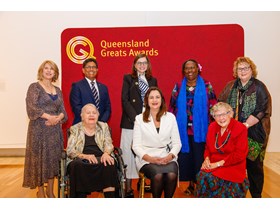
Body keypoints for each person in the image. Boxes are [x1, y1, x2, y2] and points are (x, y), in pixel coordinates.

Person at [218, 56, 272, 198]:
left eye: (246, 68)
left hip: (255, 133)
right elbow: (220, 104)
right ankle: (236, 196)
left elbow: (262, 110)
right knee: (234, 165)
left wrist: (244, 126)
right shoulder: (231, 86)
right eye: (239, 68)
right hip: (233, 133)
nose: (242, 71)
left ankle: (256, 197)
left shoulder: (259, 87)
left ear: (251, 70)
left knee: (254, 166)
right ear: (235, 71)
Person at [168, 59, 217, 195]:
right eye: (187, 68)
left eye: (193, 68)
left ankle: (200, 186)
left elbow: (213, 105)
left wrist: (215, 125)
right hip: (182, 131)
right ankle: (191, 184)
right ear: (183, 71)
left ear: (198, 69)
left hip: (201, 130)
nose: (190, 71)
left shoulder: (207, 86)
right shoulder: (178, 86)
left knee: (199, 158)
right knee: (186, 158)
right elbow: (172, 108)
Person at [23, 60, 68, 198]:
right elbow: (32, 108)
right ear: (41, 71)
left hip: (54, 132)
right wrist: (49, 117)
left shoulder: (58, 90)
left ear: (55, 73)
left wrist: (57, 118)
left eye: (52, 69)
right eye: (46, 68)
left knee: (53, 161)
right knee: (40, 161)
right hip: (38, 131)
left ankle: (50, 191)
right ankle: (41, 192)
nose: (48, 71)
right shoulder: (34, 87)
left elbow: (63, 111)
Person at [132, 87, 182, 198]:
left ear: (162, 100)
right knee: (158, 175)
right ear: (147, 101)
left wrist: (170, 157)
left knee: (171, 175)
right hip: (146, 159)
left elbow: (177, 143)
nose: (154, 100)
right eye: (151, 97)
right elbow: (136, 146)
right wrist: (151, 159)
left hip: (167, 156)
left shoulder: (170, 117)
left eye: (157, 97)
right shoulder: (139, 119)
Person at [120, 53, 158, 197]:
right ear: (134, 65)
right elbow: (124, 100)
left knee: (146, 151)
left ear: (148, 65)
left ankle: (144, 182)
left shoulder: (153, 80)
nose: (142, 65)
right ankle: (128, 187)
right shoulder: (128, 78)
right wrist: (136, 118)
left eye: (144, 63)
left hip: (148, 122)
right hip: (131, 121)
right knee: (129, 154)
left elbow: (156, 101)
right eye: (139, 63)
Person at [195, 102, 249, 198]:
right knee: (201, 176)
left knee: (210, 178)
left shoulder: (240, 128)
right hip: (214, 164)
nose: (221, 118)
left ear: (231, 114)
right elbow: (207, 147)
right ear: (214, 117)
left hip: (233, 166)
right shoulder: (212, 127)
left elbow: (239, 155)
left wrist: (218, 164)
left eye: (224, 114)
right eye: (217, 115)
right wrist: (206, 159)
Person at [66, 103, 117, 198]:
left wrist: (106, 153)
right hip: (81, 159)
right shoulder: (75, 129)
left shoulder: (103, 126)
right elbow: (70, 150)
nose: (91, 115)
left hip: (101, 157)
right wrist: (85, 156)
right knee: (77, 165)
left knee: (109, 163)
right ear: (82, 116)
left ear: (98, 115)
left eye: (94, 113)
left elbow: (108, 143)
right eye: (88, 113)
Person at [70, 57, 111, 124]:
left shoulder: (103, 88)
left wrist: (101, 122)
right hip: (82, 125)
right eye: (88, 67)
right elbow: (76, 108)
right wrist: (91, 121)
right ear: (83, 70)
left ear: (97, 70)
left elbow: (108, 108)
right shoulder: (77, 86)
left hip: (100, 126)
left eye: (94, 67)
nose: (91, 69)